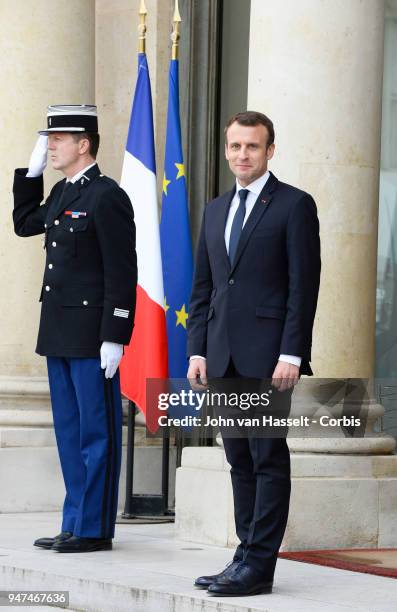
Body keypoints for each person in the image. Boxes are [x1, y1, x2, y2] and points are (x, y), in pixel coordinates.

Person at [187, 111, 320, 596]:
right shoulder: (216, 209)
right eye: (235, 146)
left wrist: (292, 352)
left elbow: (303, 288)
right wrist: (196, 350)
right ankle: (244, 555)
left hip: (269, 359)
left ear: (270, 151)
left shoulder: (293, 205)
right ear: (226, 150)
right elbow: (203, 288)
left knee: (267, 458)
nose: (243, 155)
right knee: (238, 459)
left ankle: (259, 566)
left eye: (253, 147)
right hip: (221, 356)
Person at [12, 105, 137, 553]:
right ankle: (74, 520)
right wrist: (30, 173)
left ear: (83, 144)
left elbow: (122, 271)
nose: (51, 145)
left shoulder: (107, 196)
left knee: (96, 431)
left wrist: (115, 335)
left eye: (58, 139)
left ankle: (94, 529)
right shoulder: (65, 192)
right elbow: (25, 224)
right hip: (60, 330)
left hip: (92, 334)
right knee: (69, 431)